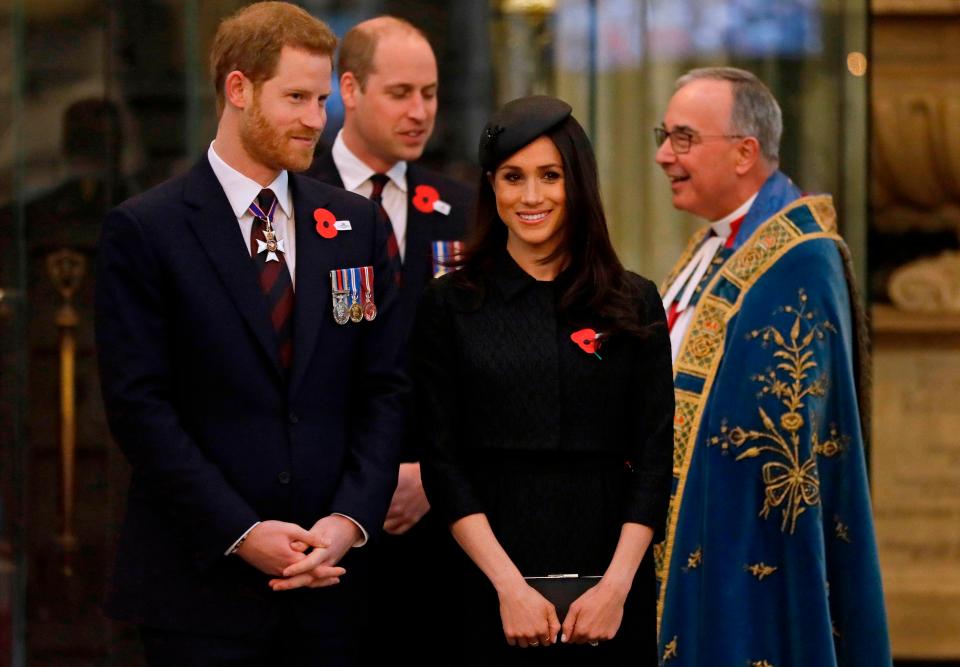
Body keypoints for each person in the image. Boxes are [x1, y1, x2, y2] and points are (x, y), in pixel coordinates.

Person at [95, 3, 405, 663]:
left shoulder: (359, 225)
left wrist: (348, 520)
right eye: (295, 97)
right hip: (199, 588)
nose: (315, 121)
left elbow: (386, 387)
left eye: (322, 100)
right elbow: (138, 405)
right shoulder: (148, 230)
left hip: (334, 587)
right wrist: (241, 530)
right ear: (238, 90)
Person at [412, 95, 674, 665]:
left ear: (576, 183)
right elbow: (442, 463)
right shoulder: (450, 305)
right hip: (483, 576)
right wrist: (509, 588)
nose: (531, 197)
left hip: (610, 581)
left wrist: (615, 588)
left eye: (550, 176)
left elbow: (656, 462)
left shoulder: (634, 301)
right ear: (492, 188)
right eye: (513, 177)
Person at [654, 67, 891, 666]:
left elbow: (770, 443)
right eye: (665, 134)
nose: (663, 155)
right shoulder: (713, 243)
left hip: (745, 549)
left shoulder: (797, 259)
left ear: (744, 153)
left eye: (683, 138)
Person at [304, 15, 473, 654]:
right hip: (328, 502)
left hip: (442, 508)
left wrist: (431, 471)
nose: (420, 111)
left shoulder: (462, 208)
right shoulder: (297, 195)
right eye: (401, 92)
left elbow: (487, 358)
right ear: (350, 89)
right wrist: (364, 483)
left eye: (429, 94)